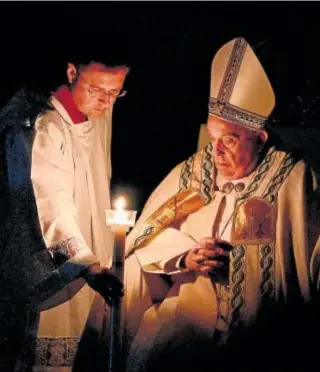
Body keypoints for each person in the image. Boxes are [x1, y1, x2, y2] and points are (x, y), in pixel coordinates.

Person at [122, 37, 320, 371]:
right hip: (188, 318)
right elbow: (142, 238)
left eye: (229, 139)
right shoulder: (194, 170)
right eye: (213, 139)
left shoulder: (295, 179)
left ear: (260, 139)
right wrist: (187, 256)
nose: (216, 152)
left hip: (262, 330)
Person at [0, 53, 130, 371]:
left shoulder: (97, 116)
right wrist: (86, 265)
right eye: (98, 90)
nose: (106, 101)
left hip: (88, 270)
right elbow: (49, 201)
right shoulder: (42, 128)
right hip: (48, 274)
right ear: (72, 72)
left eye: (116, 93)